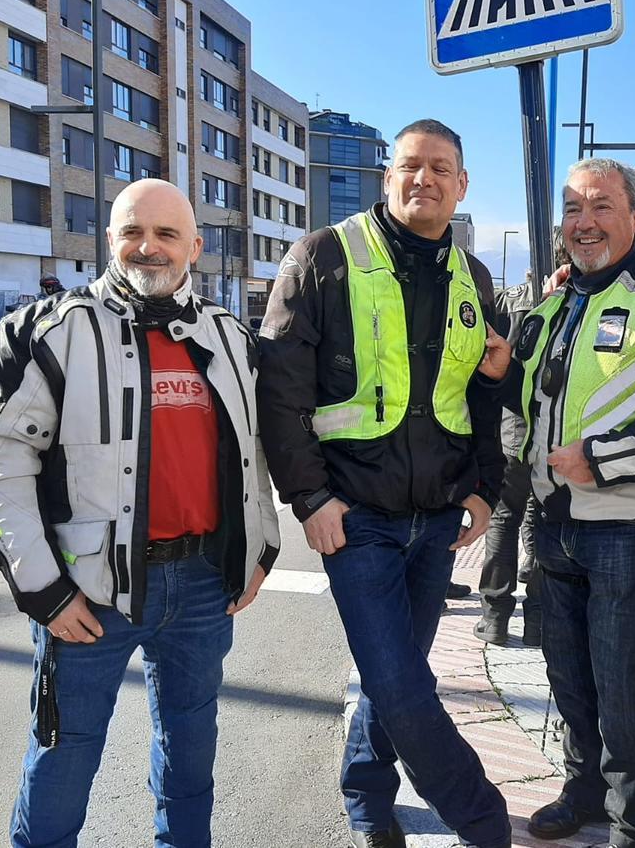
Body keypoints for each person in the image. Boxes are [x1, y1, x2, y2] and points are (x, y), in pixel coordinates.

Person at [0, 178, 280, 848]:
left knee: (192, 756)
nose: (149, 248)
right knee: (64, 758)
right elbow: (0, 465)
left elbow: (254, 454)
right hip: (87, 593)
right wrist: (45, 592)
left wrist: (260, 551)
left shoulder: (230, 338)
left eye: (167, 234)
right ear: (109, 240)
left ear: (194, 246)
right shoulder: (50, 331)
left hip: (202, 587)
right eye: (133, 232)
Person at [257, 119, 510, 848]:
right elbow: (280, 387)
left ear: (461, 184)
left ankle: (367, 801)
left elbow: (485, 395)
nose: (422, 180)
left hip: (435, 521)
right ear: (387, 176)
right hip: (355, 514)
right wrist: (310, 498)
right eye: (409, 166)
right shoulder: (323, 255)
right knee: (401, 683)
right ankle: (482, 820)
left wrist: (483, 488)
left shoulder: (475, 277)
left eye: (440, 169)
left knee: (390, 675)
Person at [480, 157, 635, 847]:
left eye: (602, 206)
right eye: (574, 209)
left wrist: (603, 459)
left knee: (626, 691)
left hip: (628, 533)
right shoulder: (554, 303)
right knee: (571, 680)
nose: (584, 223)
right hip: (549, 525)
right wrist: (513, 460)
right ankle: (583, 791)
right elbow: (520, 397)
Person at [474, 268, 544, 646]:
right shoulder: (572, 298)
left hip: (513, 423)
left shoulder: (510, 299)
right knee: (541, 516)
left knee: (504, 517)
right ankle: (537, 621)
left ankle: (495, 617)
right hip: (553, 422)